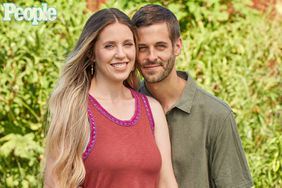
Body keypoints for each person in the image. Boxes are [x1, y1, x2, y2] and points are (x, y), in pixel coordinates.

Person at [43, 8, 178, 188]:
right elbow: (55, 184)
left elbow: (167, 183)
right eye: (109, 46)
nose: (121, 54)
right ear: (92, 53)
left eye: (128, 44)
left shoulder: (152, 109)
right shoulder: (74, 109)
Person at [132, 4, 253, 188]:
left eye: (160, 46)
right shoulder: (125, 108)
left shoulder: (216, 115)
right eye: (142, 48)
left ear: (177, 46)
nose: (151, 56)